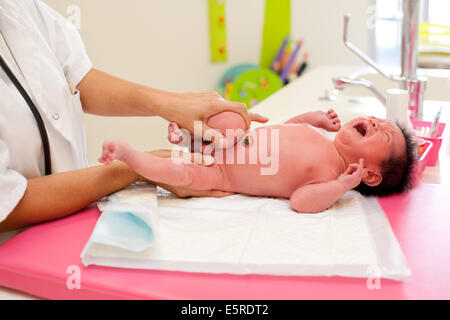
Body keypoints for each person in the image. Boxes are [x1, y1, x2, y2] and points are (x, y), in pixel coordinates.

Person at [0, 0, 267, 233]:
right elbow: (8, 204)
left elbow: (76, 76)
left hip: (72, 226)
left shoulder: (17, 6)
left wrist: (168, 103)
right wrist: (135, 168)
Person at [98, 109, 417, 213]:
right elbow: (286, 127)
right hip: (232, 140)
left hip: (221, 173)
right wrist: (313, 117)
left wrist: (340, 185)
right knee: (230, 117)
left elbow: (301, 202)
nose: (375, 122)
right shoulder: (319, 138)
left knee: (180, 174)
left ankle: (131, 157)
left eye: (384, 135)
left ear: (371, 176)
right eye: (376, 119)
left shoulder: (329, 174)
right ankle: (188, 136)